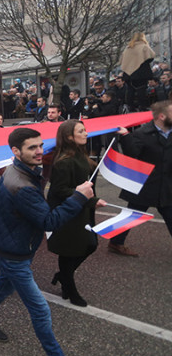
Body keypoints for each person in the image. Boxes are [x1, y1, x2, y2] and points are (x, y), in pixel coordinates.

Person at [0, 127, 97, 356]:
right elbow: (49, 221)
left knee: (4, 286)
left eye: (41, 145)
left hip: (15, 247)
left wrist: (83, 199)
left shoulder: (21, 171)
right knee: (40, 309)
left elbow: (37, 211)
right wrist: (79, 197)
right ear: (16, 151)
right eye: (32, 147)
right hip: (13, 253)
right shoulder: (22, 184)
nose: (40, 151)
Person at [47, 120, 107, 307]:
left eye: (85, 130)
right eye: (81, 131)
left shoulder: (80, 153)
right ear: (69, 137)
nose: (86, 133)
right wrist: (91, 200)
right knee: (69, 251)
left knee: (90, 244)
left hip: (82, 209)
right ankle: (70, 288)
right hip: (68, 211)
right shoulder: (64, 161)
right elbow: (59, 190)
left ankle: (63, 276)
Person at [108, 100, 172, 256]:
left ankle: (116, 242)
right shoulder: (142, 133)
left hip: (166, 185)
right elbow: (132, 154)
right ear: (162, 116)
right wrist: (126, 136)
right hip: (145, 184)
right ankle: (116, 243)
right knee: (131, 215)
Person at [121, 32, 155, 112]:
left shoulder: (128, 48)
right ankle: (142, 106)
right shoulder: (144, 46)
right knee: (141, 90)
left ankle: (130, 106)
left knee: (130, 90)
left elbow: (122, 60)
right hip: (141, 73)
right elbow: (151, 57)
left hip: (128, 73)